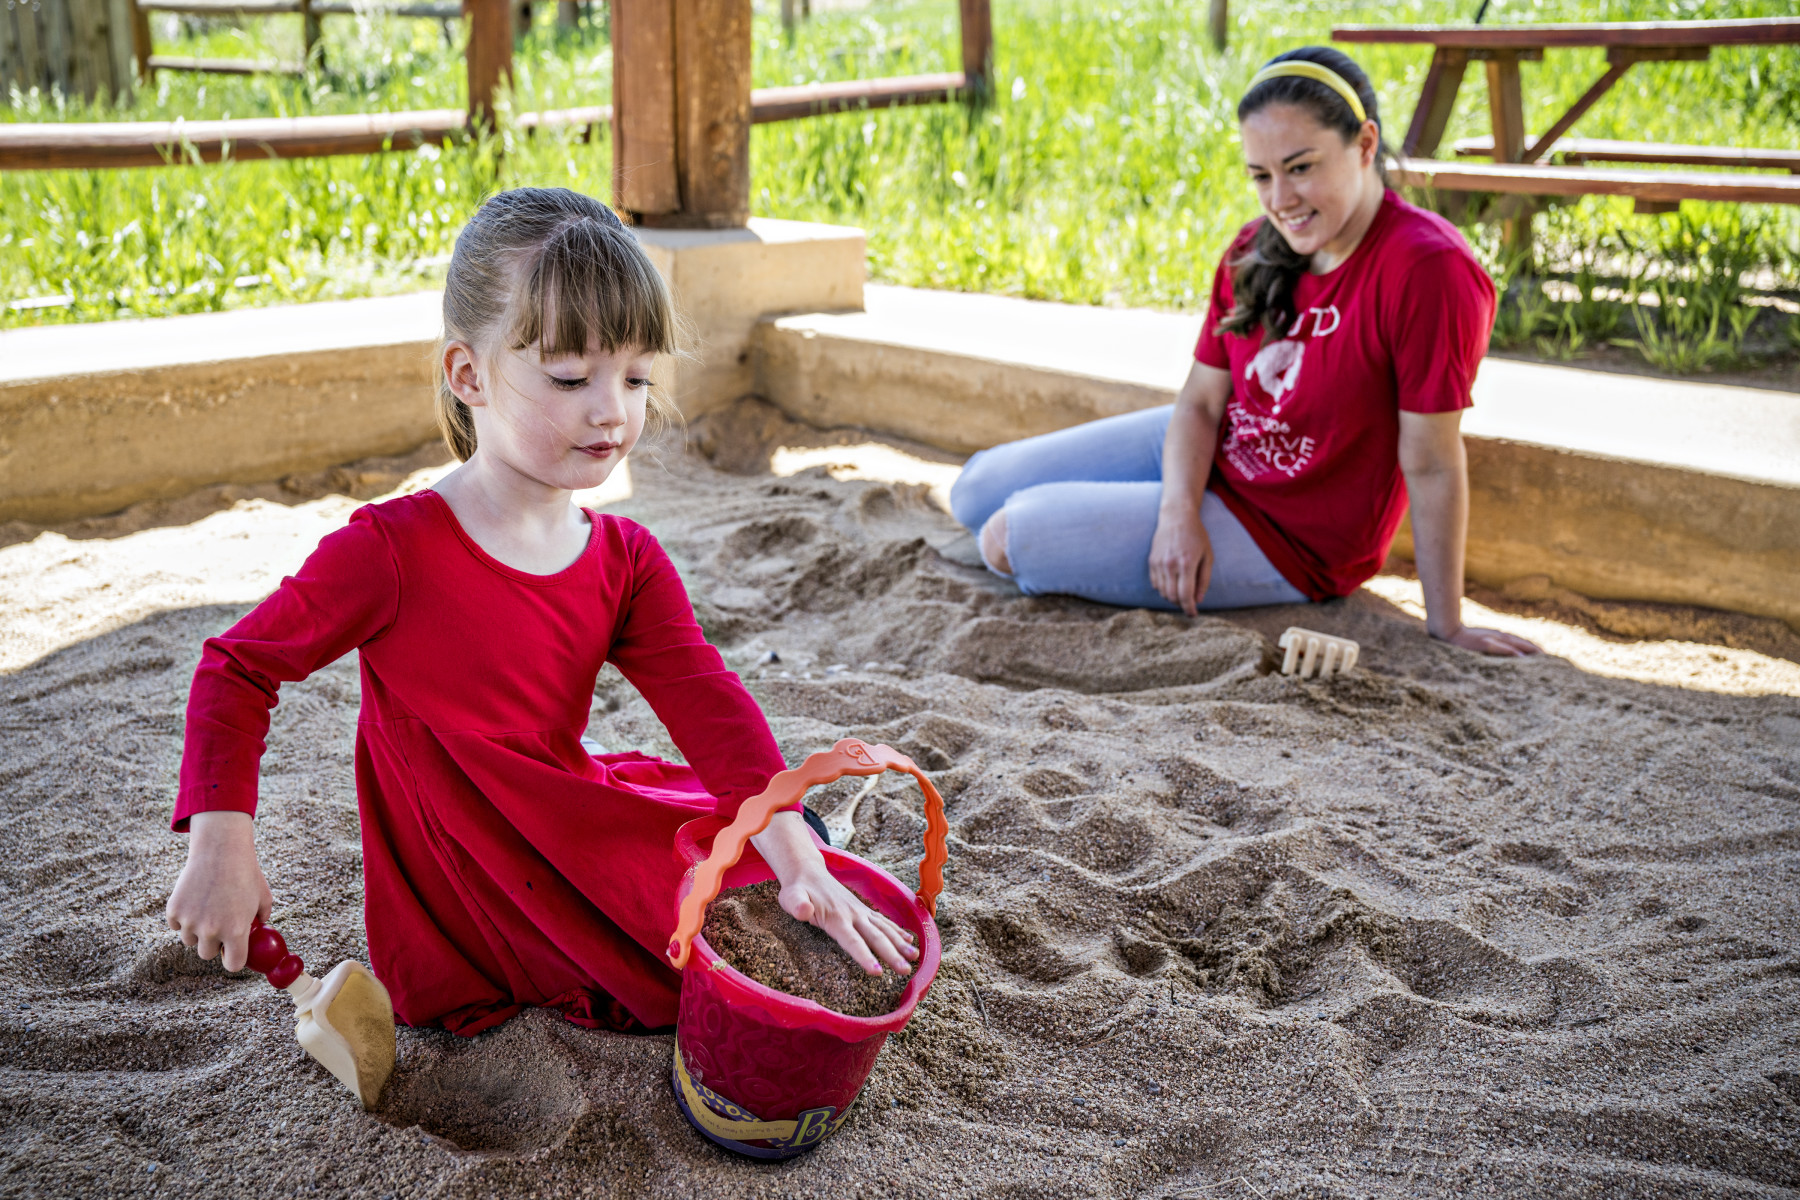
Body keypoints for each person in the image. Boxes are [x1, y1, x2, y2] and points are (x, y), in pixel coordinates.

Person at [163, 187, 917, 1037]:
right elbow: (239, 666)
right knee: (678, 961)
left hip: (571, 826)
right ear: (469, 376)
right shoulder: (393, 550)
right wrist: (220, 843)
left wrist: (793, 853)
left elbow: (709, 705)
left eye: (636, 376)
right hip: (461, 893)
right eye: (570, 377)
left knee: (780, 854)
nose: (612, 410)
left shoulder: (626, 558)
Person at [950, 46, 1540, 657]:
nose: (1280, 198)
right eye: (1261, 175)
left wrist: (1448, 625)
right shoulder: (1256, 248)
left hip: (1289, 533)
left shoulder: (1428, 269)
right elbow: (1202, 404)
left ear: (1365, 145)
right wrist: (1177, 515)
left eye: (1301, 167)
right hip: (1226, 446)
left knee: (1007, 537)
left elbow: (1432, 461)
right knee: (974, 489)